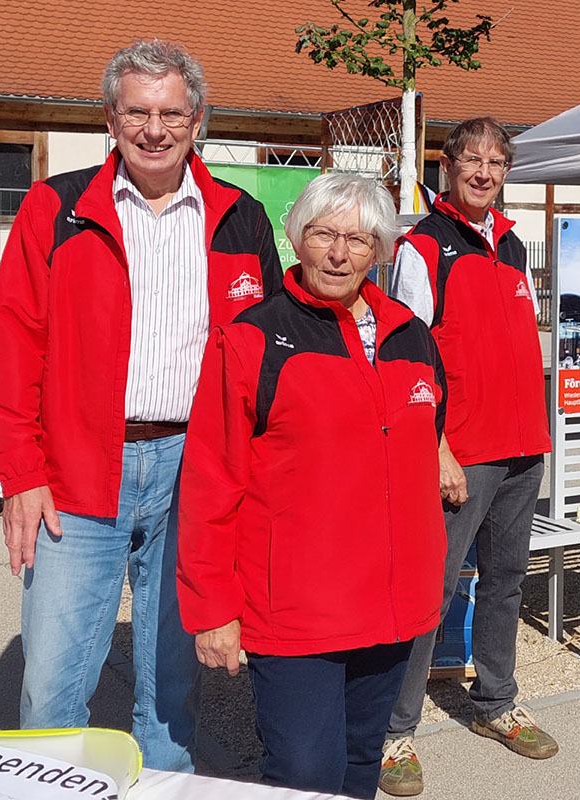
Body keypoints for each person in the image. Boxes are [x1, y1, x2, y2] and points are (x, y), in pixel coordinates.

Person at [0, 40, 282, 772]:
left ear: (198, 118)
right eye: (137, 112)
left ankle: (163, 786)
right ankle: (45, 785)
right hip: (81, 468)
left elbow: (272, 353)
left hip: (195, 470)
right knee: (52, 682)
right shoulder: (57, 208)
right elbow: (14, 343)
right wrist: (21, 471)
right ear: (110, 119)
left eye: (171, 112)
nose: (155, 128)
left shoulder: (240, 218)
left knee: (173, 682)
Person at [177, 173, 446, 800]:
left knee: (359, 763)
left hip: (392, 602)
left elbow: (426, 433)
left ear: (379, 250)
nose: (337, 252)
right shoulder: (253, 335)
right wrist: (213, 607)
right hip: (297, 610)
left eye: (357, 239)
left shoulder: (412, 336)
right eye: (323, 233)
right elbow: (211, 479)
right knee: (303, 777)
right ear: (297, 238)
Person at [380, 117, 556, 798]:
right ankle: (395, 733)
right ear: (447, 165)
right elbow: (404, 358)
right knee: (431, 589)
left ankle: (495, 702)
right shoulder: (423, 247)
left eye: (496, 162)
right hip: (461, 455)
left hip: (521, 450)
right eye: (472, 159)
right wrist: (437, 447)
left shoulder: (512, 247)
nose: (484, 172)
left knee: (507, 581)